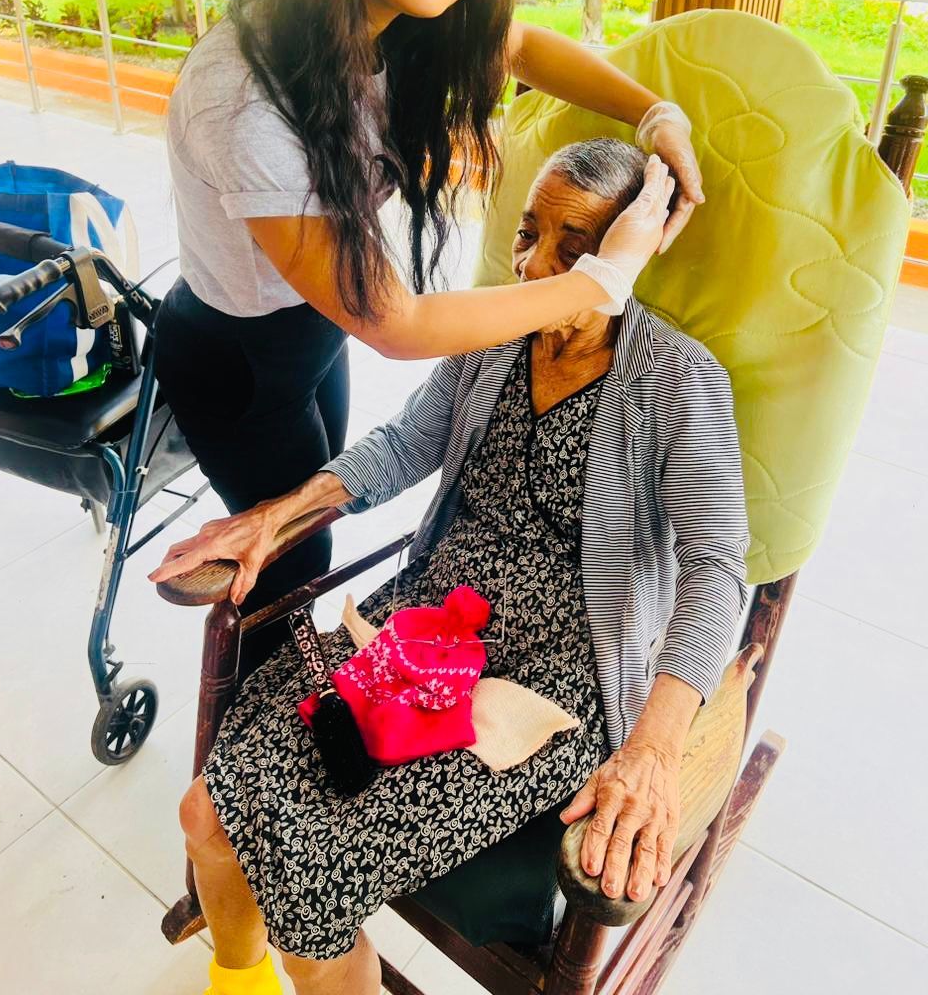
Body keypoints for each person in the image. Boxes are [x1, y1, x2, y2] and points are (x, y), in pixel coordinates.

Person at [152, 138, 749, 995]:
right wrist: (271, 518)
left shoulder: (677, 380)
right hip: (425, 623)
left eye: (574, 249)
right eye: (528, 234)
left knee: (313, 887)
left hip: (558, 678)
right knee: (206, 812)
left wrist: (653, 747)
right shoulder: (495, 331)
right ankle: (233, 982)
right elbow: (405, 445)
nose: (535, 265)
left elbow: (717, 564)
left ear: (633, 248)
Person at [152, 0, 704, 619]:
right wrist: (600, 280)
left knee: (324, 487)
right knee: (286, 574)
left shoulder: (391, 14)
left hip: (309, 328)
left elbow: (523, 46)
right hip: (236, 360)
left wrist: (656, 113)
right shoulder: (244, 96)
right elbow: (397, 324)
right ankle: (243, 730)